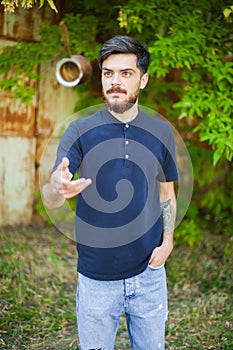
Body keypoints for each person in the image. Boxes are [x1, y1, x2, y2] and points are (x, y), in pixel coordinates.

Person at [42, 35, 178, 350]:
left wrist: (168, 241)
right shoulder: (80, 131)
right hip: (96, 278)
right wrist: (57, 188)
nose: (114, 81)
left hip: (150, 275)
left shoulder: (160, 131)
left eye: (125, 73)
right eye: (108, 73)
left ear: (143, 80)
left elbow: (167, 191)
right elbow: (52, 191)